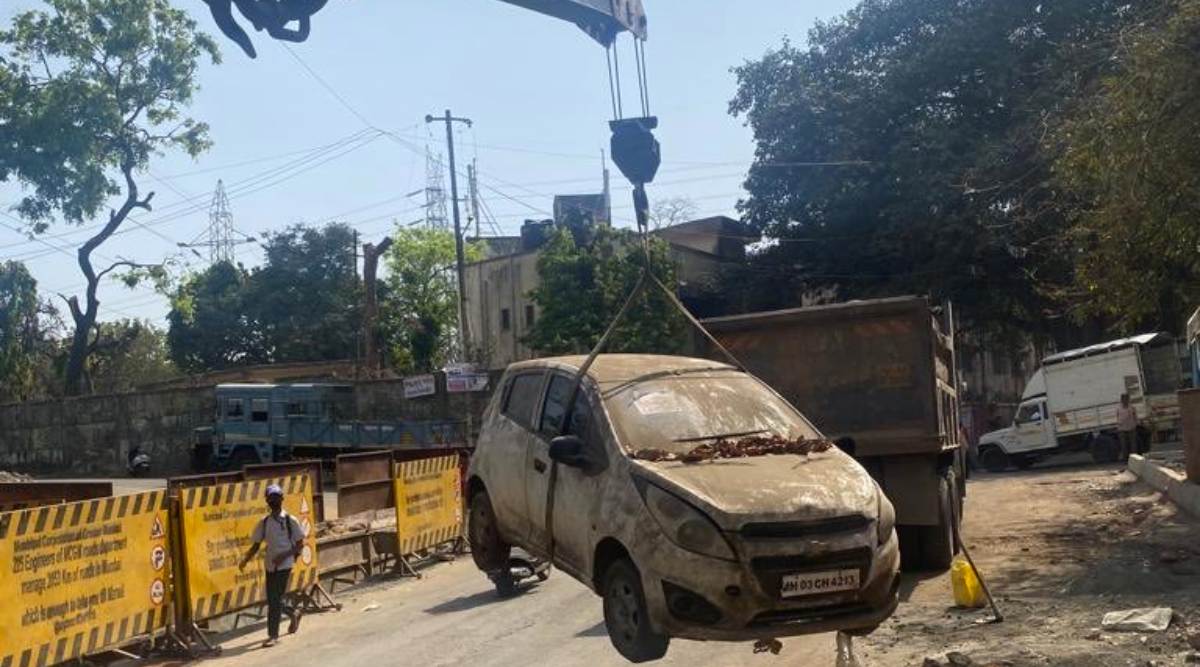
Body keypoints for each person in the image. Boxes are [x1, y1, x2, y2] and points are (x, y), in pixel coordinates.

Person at [239, 483, 304, 647]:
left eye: (276, 497)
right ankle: (292, 612)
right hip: (270, 565)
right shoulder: (265, 522)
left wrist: (284, 556)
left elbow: (299, 545)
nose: (274, 501)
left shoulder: (290, 520)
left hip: (285, 564)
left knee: (275, 599)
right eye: (271, 498)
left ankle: (273, 636)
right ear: (267, 501)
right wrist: (246, 559)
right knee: (274, 599)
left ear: (282, 499)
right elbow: (256, 544)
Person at [1115, 393, 1138, 462]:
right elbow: (1117, 417)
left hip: (1131, 428)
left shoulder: (1132, 408)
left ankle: (1135, 460)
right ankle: (1126, 460)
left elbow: (1135, 417)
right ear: (1121, 400)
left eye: (1126, 399)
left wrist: (1135, 424)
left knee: (1133, 445)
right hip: (1122, 429)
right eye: (1123, 399)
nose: (1125, 401)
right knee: (1124, 445)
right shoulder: (1119, 408)